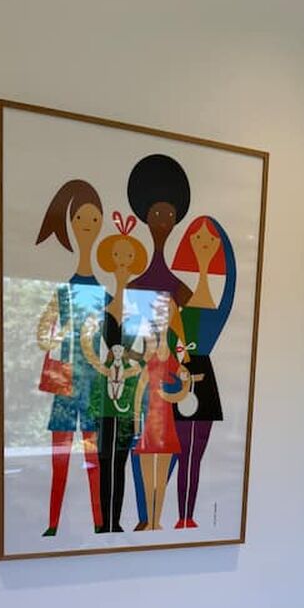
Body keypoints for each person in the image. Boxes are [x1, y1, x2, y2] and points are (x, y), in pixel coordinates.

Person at [34, 180, 106, 535]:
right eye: (81, 219)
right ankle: (53, 524)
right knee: (59, 458)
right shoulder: (62, 291)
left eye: (94, 219)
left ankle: (99, 523)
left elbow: (122, 337)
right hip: (65, 379)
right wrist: (62, 333)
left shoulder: (105, 292)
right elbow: (42, 336)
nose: (87, 226)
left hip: (92, 381)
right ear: (71, 224)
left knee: (93, 459)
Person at [126, 154, 192, 528]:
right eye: (157, 214)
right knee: (143, 457)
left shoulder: (176, 293)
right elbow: (134, 347)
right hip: (146, 407)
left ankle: (153, 519)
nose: (163, 220)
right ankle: (146, 518)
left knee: (161, 459)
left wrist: (183, 368)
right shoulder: (137, 289)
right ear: (146, 217)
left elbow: (185, 342)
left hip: (164, 410)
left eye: (169, 214)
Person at [80, 214, 147, 532]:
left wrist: (130, 365)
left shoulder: (140, 315)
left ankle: (115, 522)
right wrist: (104, 365)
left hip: (126, 401)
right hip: (100, 400)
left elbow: (145, 358)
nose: (122, 263)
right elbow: (88, 351)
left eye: (128, 257)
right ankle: (102, 522)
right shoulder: (98, 311)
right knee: (101, 460)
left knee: (119, 461)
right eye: (118, 255)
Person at [170, 216, 237, 527]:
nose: (204, 244)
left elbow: (231, 287)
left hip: (204, 380)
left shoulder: (215, 309)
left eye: (211, 240)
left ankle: (186, 517)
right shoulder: (178, 303)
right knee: (177, 450)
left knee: (194, 455)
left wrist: (228, 252)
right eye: (198, 239)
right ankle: (166, 515)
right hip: (180, 377)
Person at [132, 304, 191, 531]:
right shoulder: (150, 355)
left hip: (166, 424)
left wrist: (175, 392)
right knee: (149, 478)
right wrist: (136, 422)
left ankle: (156, 522)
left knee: (160, 479)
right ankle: (150, 521)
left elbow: (183, 386)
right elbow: (140, 389)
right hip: (149, 423)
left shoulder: (172, 358)